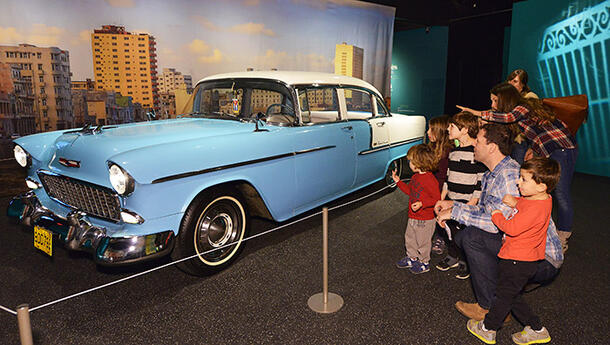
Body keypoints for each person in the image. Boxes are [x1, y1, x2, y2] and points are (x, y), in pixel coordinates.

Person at [435, 123, 563, 321]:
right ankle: (502, 295)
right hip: (522, 248)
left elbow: (497, 223)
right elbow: (489, 212)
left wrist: (455, 213)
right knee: (465, 236)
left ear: (492, 147)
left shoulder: (509, 176)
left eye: (478, 141)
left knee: (471, 237)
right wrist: (453, 206)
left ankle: (491, 308)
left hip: (542, 258)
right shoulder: (492, 173)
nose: (474, 145)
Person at [458, 82, 577, 253]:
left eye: (495, 101)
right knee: (542, 190)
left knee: (561, 194)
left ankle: (562, 237)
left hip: (563, 148)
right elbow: (535, 133)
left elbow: (508, 118)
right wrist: (532, 148)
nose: (493, 105)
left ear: (505, 100)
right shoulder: (519, 113)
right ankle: (540, 231)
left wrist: (474, 112)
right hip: (549, 150)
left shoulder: (522, 106)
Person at [467, 157, 560, 345]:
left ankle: (488, 328)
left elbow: (511, 228)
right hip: (527, 260)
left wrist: (496, 214)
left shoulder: (534, 207)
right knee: (512, 295)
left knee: (502, 297)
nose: (518, 182)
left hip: (517, 260)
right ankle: (537, 329)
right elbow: (530, 206)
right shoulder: (543, 199)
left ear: (541, 186)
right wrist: (516, 201)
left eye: (524, 180)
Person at [435, 112, 487, 280]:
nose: (448, 129)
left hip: (468, 202)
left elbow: (480, 181)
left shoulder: (476, 152)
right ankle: (453, 255)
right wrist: (443, 197)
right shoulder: (454, 151)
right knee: (450, 230)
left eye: (452, 126)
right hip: (451, 200)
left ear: (464, 130)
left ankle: (466, 260)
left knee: (464, 233)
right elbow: (448, 178)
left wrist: (472, 202)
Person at [394, 144, 441, 274]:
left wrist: (422, 203)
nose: (409, 163)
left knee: (423, 242)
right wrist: (399, 182)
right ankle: (412, 257)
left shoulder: (430, 180)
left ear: (420, 162)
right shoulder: (415, 177)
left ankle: (424, 262)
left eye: (411, 161)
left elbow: (437, 199)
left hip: (426, 219)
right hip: (413, 216)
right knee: (409, 238)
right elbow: (410, 191)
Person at [427, 115, 453, 255]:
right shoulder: (432, 148)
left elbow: (445, 178)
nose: (428, 133)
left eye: (431, 130)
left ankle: (441, 237)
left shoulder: (449, 152)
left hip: (443, 190)